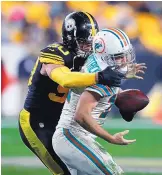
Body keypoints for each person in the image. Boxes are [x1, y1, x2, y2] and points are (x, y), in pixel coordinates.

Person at [18, 12, 125, 175]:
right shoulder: (55, 53)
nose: (88, 47)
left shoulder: (90, 58)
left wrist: (121, 99)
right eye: (84, 42)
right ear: (70, 38)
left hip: (62, 122)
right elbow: (65, 79)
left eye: (92, 43)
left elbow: (99, 89)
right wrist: (99, 76)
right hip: (37, 121)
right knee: (65, 172)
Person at [52, 28, 146, 175]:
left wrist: (123, 75)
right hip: (72, 137)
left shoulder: (98, 62)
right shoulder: (103, 78)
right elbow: (81, 115)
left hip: (73, 138)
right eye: (119, 56)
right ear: (105, 55)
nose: (124, 60)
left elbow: (102, 85)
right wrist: (111, 138)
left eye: (125, 55)